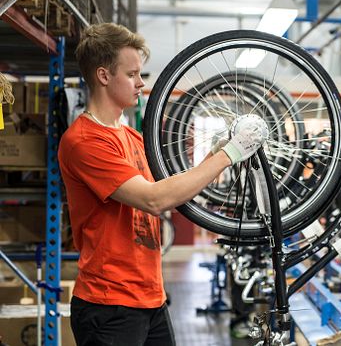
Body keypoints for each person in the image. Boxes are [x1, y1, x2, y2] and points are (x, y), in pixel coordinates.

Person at [58, 23, 266, 346]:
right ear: (103, 76)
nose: (141, 83)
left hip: (150, 297)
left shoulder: (129, 136)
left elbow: (168, 186)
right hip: (109, 305)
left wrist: (215, 151)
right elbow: (154, 199)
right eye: (132, 74)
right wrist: (229, 154)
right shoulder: (85, 142)